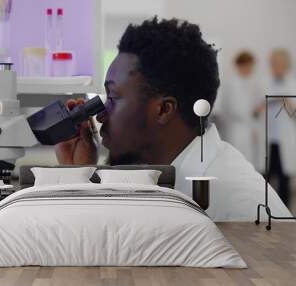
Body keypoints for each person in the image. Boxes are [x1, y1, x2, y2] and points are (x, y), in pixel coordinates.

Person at [55, 17, 291, 221]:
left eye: (113, 98)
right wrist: (79, 176)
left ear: (163, 110)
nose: (100, 114)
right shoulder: (166, 174)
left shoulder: (233, 205)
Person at [254, 49, 296, 206]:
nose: (273, 66)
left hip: (284, 138)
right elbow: (255, 109)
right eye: (271, 63)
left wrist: (287, 103)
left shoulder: (293, 83)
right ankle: (267, 212)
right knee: (266, 177)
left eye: (276, 63)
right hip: (267, 137)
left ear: (285, 64)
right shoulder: (264, 82)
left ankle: (285, 215)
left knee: (284, 178)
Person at [218, 51, 261, 166]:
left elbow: (256, 108)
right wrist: (254, 111)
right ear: (240, 65)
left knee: (250, 164)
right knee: (236, 162)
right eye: (248, 65)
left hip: (249, 130)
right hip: (235, 130)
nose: (250, 69)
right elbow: (234, 110)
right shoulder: (230, 85)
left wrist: (256, 124)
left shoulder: (253, 83)